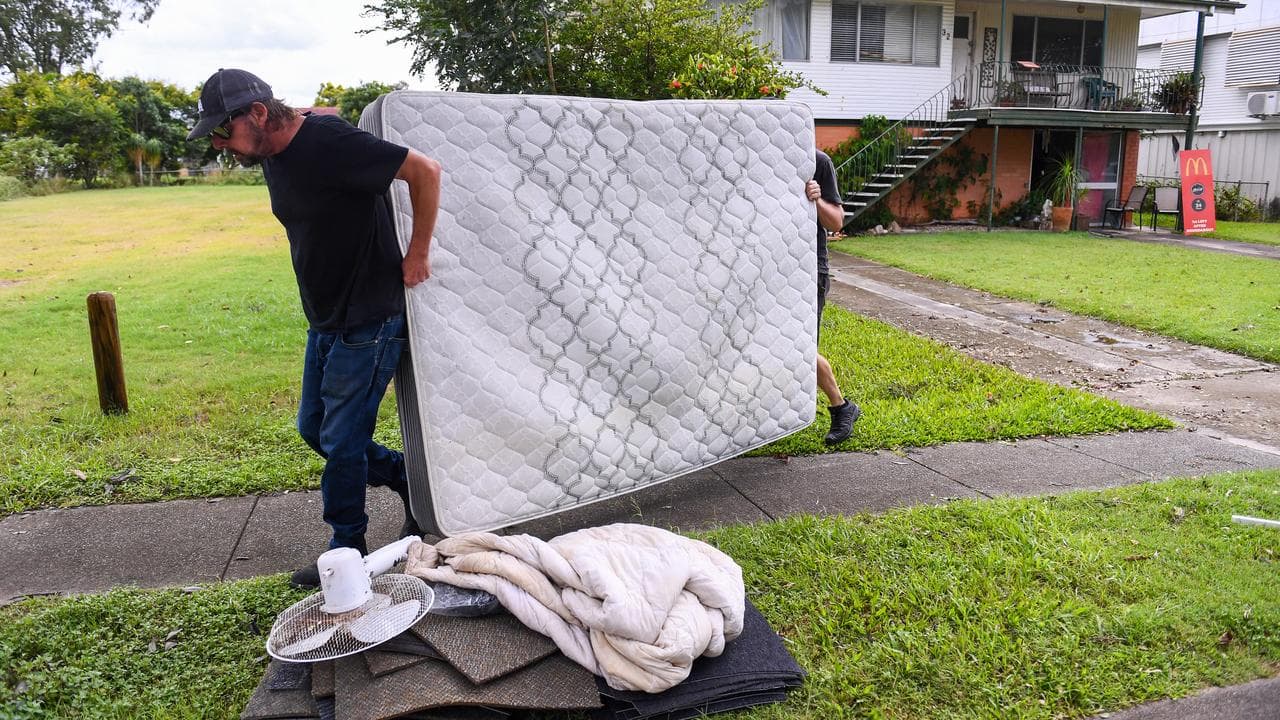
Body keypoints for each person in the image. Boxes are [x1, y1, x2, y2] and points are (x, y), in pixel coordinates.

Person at [187, 69, 442, 588]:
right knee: (313, 429)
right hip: (324, 317)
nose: (220, 144)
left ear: (257, 113)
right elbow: (307, 119)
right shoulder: (273, 149)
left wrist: (417, 253)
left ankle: (347, 548)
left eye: (222, 131)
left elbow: (426, 171)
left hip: (369, 316)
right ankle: (408, 480)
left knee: (343, 441)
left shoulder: (331, 144)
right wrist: (312, 111)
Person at [805, 150, 861, 444]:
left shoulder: (819, 162)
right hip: (768, 269)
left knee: (800, 347)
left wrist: (815, 199)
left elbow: (837, 222)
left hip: (810, 269)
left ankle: (842, 408)